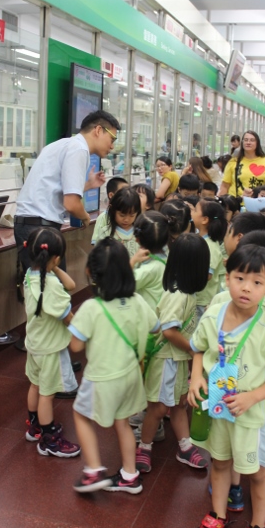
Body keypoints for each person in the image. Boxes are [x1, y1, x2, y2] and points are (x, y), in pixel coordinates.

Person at [189, 244, 265, 528]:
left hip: (253, 415)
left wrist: (252, 397)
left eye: (257, 282)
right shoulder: (212, 317)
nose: (246, 288)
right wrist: (196, 376)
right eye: (239, 278)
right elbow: (198, 348)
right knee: (220, 463)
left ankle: (258, 525)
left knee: (258, 472)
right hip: (219, 408)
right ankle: (218, 514)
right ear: (227, 277)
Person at [69, 238, 159, 494]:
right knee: (123, 422)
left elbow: (76, 347)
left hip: (102, 378)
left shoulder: (91, 308)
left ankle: (93, 470)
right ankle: (130, 476)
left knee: (81, 415)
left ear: (90, 273)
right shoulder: (139, 302)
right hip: (132, 376)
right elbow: (155, 327)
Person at [135, 233, 210, 475]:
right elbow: (169, 331)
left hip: (177, 359)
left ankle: (185, 446)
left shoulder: (186, 292)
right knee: (157, 408)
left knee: (179, 404)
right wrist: (192, 349)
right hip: (165, 359)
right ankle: (144, 447)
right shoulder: (178, 294)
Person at [14, 109, 120, 270]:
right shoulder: (79, 149)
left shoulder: (63, 144)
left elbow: (58, 191)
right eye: (112, 139)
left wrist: (88, 185)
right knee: (52, 291)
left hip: (32, 225)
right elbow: (71, 204)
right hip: (38, 228)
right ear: (98, 130)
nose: (112, 146)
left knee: (48, 288)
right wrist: (85, 217)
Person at [23, 227, 81, 458]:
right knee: (48, 393)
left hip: (35, 343)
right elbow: (68, 318)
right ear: (56, 256)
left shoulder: (31, 274)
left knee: (35, 385)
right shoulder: (51, 285)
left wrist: (53, 266)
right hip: (50, 347)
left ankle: (34, 426)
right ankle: (49, 440)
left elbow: (71, 286)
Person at [129, 211, 170, 442]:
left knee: (144, 376)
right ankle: (148, 414)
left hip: (147, 330)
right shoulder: (166, 258)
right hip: (160, 324)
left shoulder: (148, 267)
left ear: (137, 239)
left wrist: (132, 261)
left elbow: (123, 284)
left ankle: (152, 425)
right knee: (151, 376)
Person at [192, 199, 228, 321]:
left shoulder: (210, 245)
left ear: (204, 219)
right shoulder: (201, 239)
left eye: (195, 210)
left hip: (203, 300)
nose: (192, 212)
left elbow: (207, 274)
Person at [219, 131, 265, 199]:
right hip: (237, 205)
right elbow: (225, 186)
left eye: (252, 140)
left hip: (260, 205)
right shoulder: (234, 161)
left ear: (257, 143)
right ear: (242, 142)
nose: (248, 142)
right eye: (246, 140)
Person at [92, 187, 141, 258]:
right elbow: (98, 257)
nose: (126, 219)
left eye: (132, 215)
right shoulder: (105, 232)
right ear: (113, 210)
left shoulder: (140, 232)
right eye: (122, 215)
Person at [92, 176, 128, 244]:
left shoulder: (132, 215)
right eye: (123, 192)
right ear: (111, 195)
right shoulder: (103, 217)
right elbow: (97, 245)